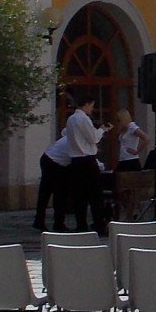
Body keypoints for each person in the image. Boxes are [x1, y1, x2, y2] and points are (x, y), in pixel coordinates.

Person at [59, 97, 105, 236]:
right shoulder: (83, 118)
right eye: (91, 106)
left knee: (79, 195)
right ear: (87, 104)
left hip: (75, 161)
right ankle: (98, 224)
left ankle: (81, 224)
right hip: (87, 160)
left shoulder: (71, 119)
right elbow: (93, 138)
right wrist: (102, 130)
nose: (92, 109)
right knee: (95, 194)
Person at [34, 91, 72, 231]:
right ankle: (56, 223)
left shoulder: (71, 136)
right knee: (57, 193)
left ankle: (42, 221)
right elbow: (80, 155)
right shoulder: (75, 140)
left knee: (48, 192)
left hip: (50, 159)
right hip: (52, 162)